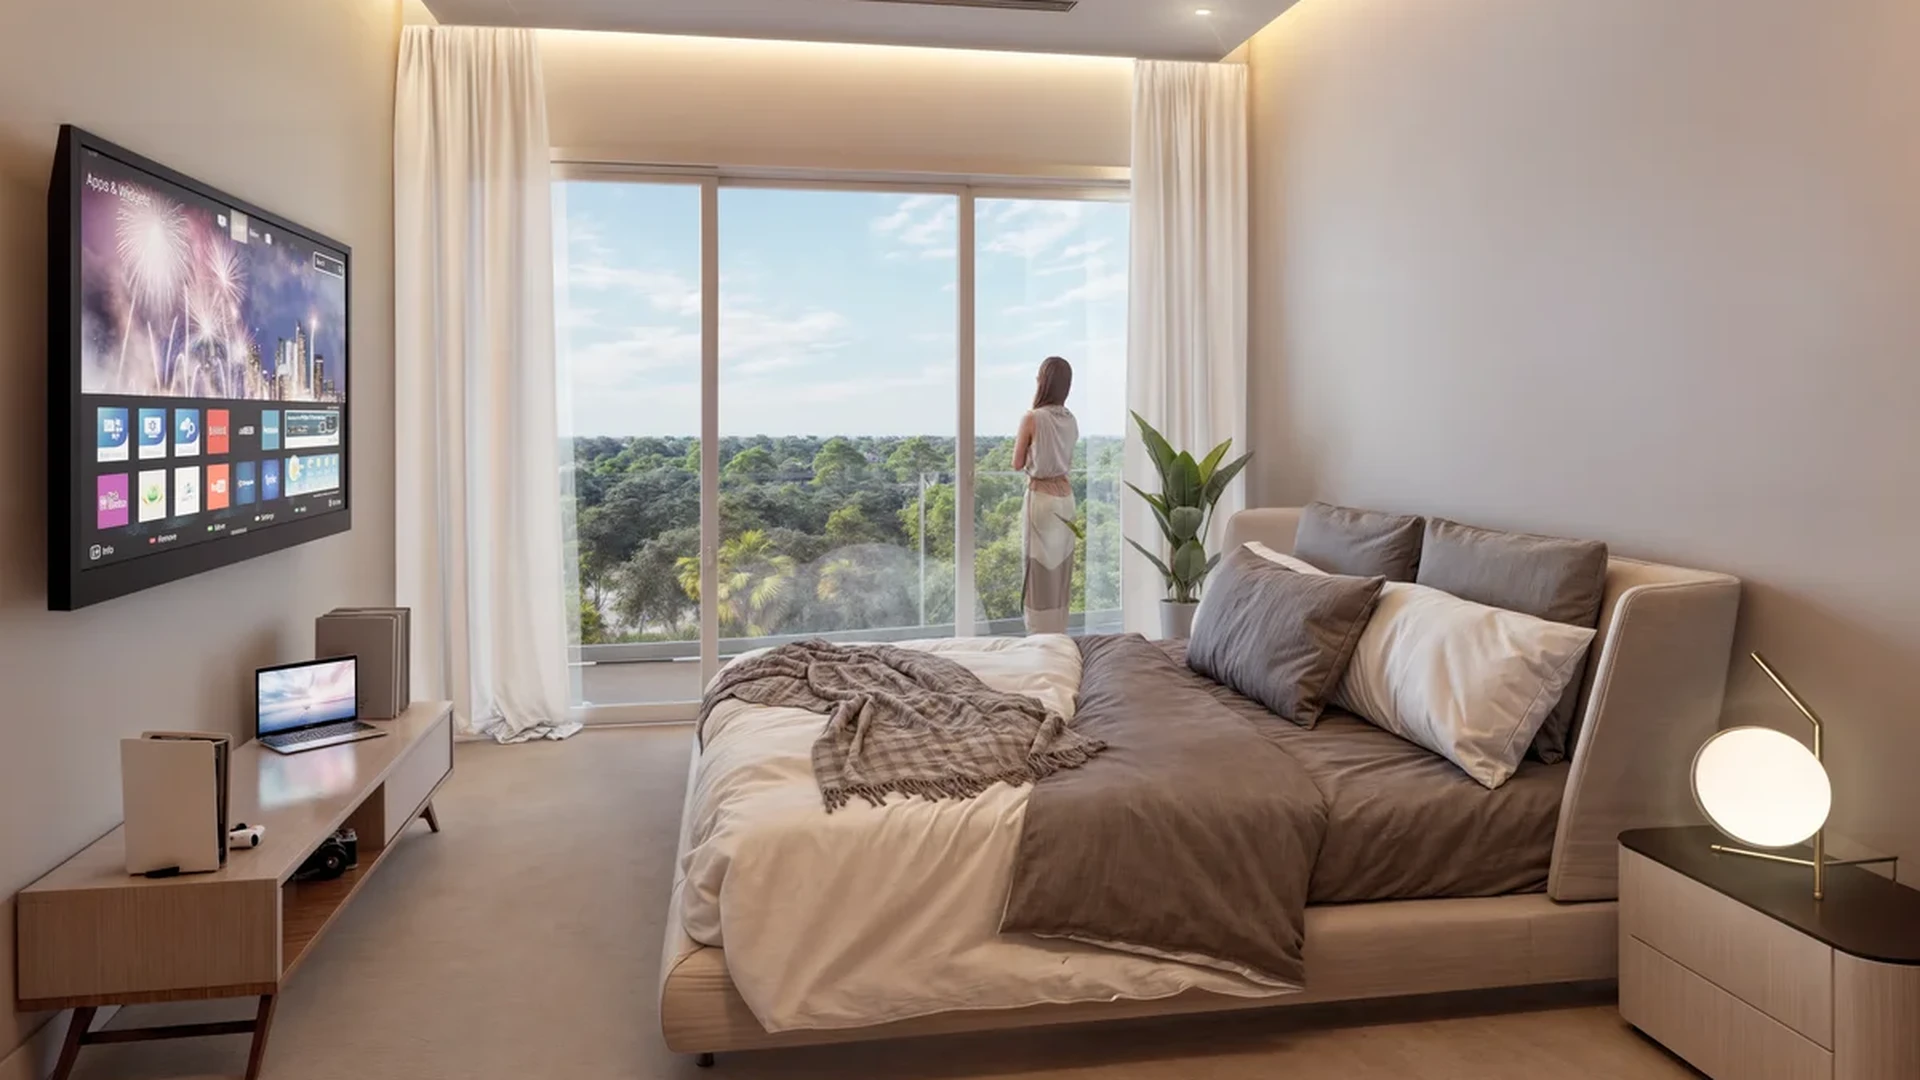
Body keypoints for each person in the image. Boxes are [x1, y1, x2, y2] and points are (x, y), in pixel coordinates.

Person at [1012, 356, 1079, 635]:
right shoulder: (1071, 419)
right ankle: (1057, 631)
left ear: (1043, 382)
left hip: (1041, 498)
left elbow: (1017, 463)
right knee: (1061, 568)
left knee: (1038, 569)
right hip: (1066, 499)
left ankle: (1038, 634)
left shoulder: (1032, 418)